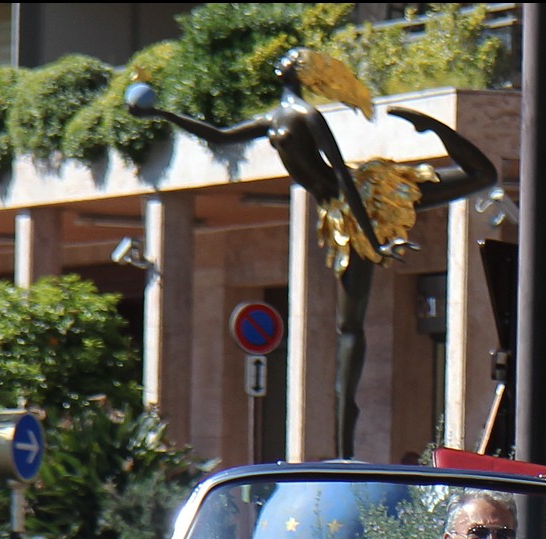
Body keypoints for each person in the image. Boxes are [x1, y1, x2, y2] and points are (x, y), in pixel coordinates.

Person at [127, 48, 498, 459]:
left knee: (482, 177)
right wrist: (163, 114)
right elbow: (219, 135)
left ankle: (435, 129)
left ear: (302, 72)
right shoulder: (275, 118)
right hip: (338, 214)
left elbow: (341, 174)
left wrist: (372, 238)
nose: (281, 62)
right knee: (348, 326)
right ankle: (344, 449)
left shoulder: (307, 116)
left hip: (366, 200)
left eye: (291, 59)